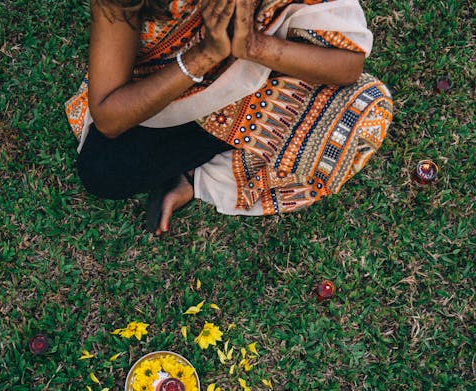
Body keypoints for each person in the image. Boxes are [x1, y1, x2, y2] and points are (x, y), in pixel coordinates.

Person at [65, 0, 393, 235]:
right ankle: (203, 159)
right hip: (172, 92)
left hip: (269, 85)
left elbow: (347, 68)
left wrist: (251, 45)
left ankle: (193, 177)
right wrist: (205, 55)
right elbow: (108, 117)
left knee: (363, 110)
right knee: (102, 170)